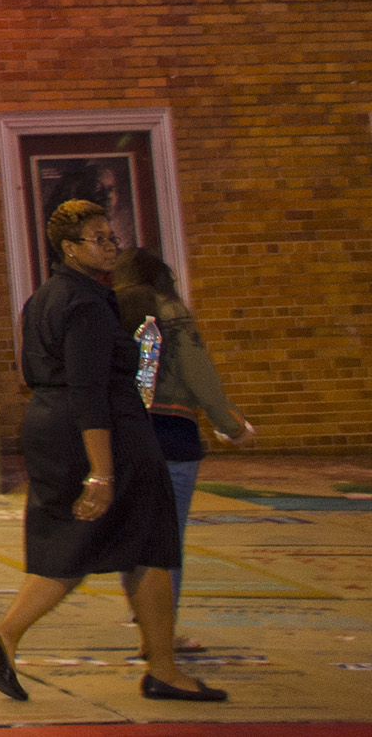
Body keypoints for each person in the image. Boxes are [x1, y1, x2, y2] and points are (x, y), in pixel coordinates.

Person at [0, 201, 223, 707]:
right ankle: (164, 669)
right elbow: (89, 389)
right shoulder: (86, 303)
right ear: (70, 248)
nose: (111, 246)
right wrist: (102, 473)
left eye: (112, 237)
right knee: (150, 541)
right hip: (104, 435)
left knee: (75, 545)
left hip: (50, 426)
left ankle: (7, 637)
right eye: (99, 238)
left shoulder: (43, 298)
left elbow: (30, 373)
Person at [114, 246, 250, 622]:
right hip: (172, 435)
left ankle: (146, 625)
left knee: (138, 539)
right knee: (165, 544)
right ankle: (161, 638)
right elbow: (198, 374)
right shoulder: (170, 313)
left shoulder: (112, 311)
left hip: (126, 437)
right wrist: (231, 425)